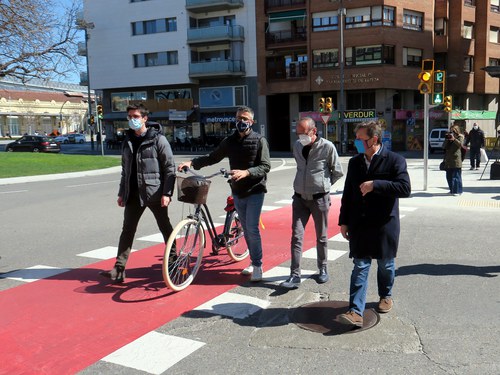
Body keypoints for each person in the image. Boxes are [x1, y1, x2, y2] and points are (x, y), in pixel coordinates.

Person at [177, 106, 271, 282]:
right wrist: (192, 162)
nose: (240, 122)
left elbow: (265, 166)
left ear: (251, 121)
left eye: (244, 118)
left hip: (255, 190)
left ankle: (257, 264)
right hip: (237, 190)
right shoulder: (230, 141)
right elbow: (213, 157)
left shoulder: (259, 140)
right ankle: (252, 258)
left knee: (251, 228)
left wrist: (247, 172)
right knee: (245, 227)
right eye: (238, 118)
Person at [337, 121, 411, 327]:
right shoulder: (355, 162)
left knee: (386, 265)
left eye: (361, 139)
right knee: (360, 265)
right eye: (357, 139)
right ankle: (355, 311)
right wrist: (343, 221)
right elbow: (348, 193)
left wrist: (375, 185)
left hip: (384, 223)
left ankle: (386, 295)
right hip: (360, 223)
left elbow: (405, 188)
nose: (357, 143)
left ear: (374, 139)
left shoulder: (395, 160)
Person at [100, 104, 176, 283]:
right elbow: (125, 171)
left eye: (135, 116)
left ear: (144, 118)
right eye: (129, 116)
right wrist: (121, 193)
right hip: (133, 194)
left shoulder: (158, 139)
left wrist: (167, 193)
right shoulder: (127, 140)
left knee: (165, 228)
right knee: (127, 230)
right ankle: (119, 270)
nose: (132, 119)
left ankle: (173, 261)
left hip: (154, 193)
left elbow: (170, 169)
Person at [280, 117, 344, 289]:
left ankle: (322, 269)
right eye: (298, 133)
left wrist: (323, 184)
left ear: (314, 131)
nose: (300, 137)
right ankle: (295, 275)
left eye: (303, 133)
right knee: (296, 236)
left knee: (321, 237)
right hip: (300, 198)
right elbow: (301, 167)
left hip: (319, 199)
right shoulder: (297, 146)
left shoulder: (327, 147)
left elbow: (337, 171)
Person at [443, 124, 464, 196]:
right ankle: (452, 189)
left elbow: (460, 144)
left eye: (453, 131)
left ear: (456, 131)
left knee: (456, 177)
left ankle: (457, 191)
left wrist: (454, 139)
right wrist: (447, 139)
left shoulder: (460, 137)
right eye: (451, 131)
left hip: (456, 160)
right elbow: (443, 146)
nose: (452, 132)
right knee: (449, 176)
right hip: (448, 160)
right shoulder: (448, 137)